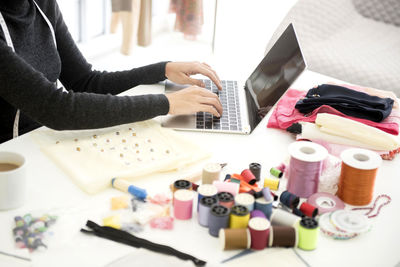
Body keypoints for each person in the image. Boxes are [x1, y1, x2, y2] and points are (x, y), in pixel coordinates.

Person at [0, 0, 223, 144]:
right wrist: (167, 103)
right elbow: (57, 109)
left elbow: (85, 81)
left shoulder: (42, 4)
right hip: (11, 158)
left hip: (41, 141)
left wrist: (163, 69)